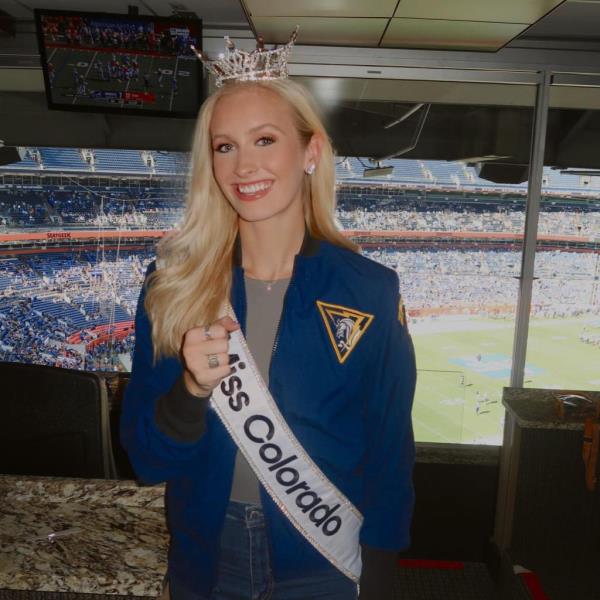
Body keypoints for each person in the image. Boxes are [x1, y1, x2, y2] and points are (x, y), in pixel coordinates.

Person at [121, 31, 416, 600]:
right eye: (224, 146)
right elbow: (146, 459)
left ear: (310, 151)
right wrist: (188, 391)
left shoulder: (372, 291)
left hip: (327, 557)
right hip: (208, 555)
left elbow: (390, 452)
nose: (243, 164)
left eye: (264, 139)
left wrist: (380, 570)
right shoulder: (172, 287)